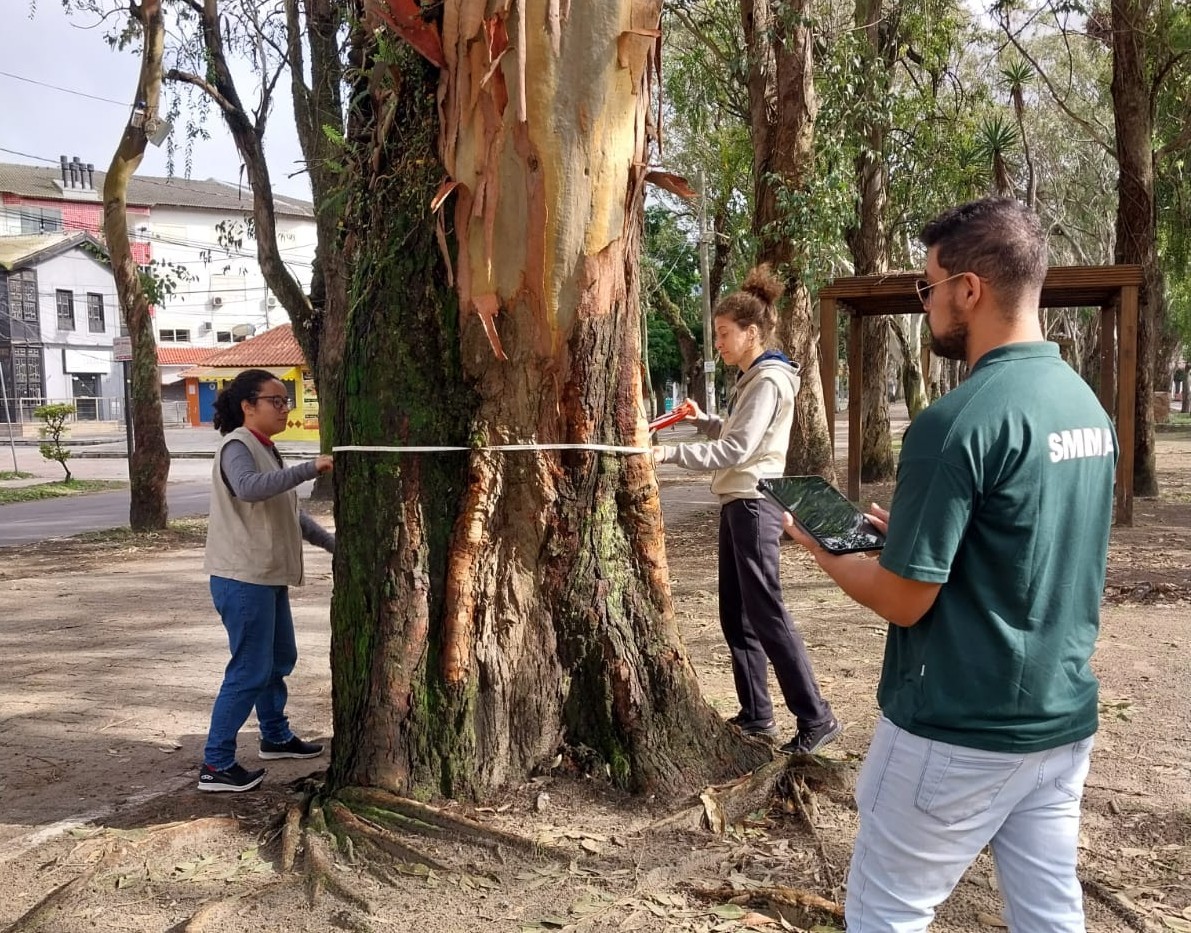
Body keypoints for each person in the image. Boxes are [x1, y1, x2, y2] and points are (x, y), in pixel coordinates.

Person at [782, 198, 1116, 931]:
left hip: (957, 727)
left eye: (925, 288)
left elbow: (905, 599)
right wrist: (902, 533)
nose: (923, 305)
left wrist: (821, 547)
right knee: (1049, 915)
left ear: (968, 289)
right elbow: (1025, 541)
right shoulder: (1086, 409)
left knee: (885, 913)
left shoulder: (954, 420)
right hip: (1058, 724)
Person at [653, 264, 838, 756]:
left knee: (768, 614)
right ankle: (757, 713)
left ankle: (816, 717)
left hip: (755, 505)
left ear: (752, 332)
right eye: (716, 335)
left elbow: (738, 451)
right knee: (735, 614)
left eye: (724, 334)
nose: (718, 344)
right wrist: (703, 422)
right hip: (738, 503)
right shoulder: (753, 378)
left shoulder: (769, 381)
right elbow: (737, 435)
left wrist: (669, 453)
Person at [197, 368, 336, 793]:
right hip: (242, 578)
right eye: (275, 401)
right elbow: (249, 488)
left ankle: (275, 736)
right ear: (248, 406)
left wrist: (332, 544)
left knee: (278, 659)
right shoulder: (237, 446)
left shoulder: (264, 448)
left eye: (286, 400)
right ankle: (216, 765)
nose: (284, 408)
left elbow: (287, 513)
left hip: (264, 576)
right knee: (249, 669)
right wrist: (309, 469)